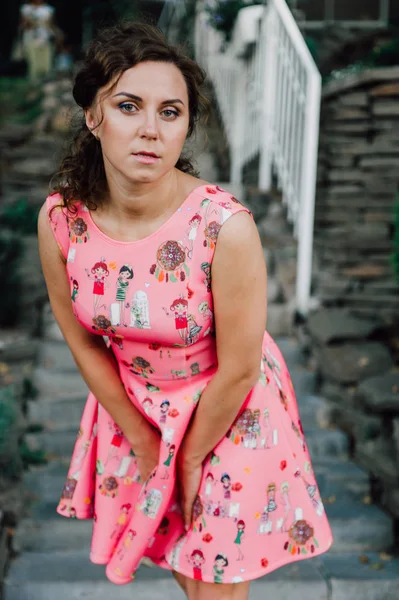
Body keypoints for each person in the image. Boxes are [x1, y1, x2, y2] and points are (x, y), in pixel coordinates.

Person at [38, 21, 333, 600]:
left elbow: (242, 366)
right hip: (137, 410)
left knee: (213, 584)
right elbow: (82, 342)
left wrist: (189, 457)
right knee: (183, 567)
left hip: (228, 406)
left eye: (170, 112)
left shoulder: (227, 228)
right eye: (128, 106)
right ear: (93, 117)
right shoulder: (61, 221)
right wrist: (143, 441)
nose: (150, 130)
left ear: (185, 128)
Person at [19, 0, 57, 82]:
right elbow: (25, 23)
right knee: (33, 58)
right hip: (30, 36)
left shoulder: (48, 9)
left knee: (45, 58)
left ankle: (46, 79)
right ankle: (33, 79)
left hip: (44, 37)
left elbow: (50, 23)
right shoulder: (26, 8)